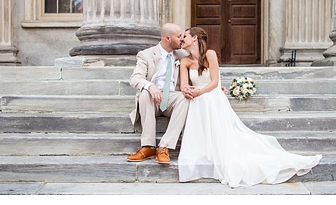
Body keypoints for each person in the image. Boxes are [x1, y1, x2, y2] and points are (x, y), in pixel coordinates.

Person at [177, 27, 322, 187]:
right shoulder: (184, 61)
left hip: (211, 93)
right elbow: (184, 84)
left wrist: (199, 92)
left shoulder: (210, 54)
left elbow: (214, 82)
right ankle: (203, 148)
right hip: (199, 96)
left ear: (195, 38)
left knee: (206, 99)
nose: (181, 39)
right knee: (200, 101)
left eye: (184, 36)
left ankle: (216, 145)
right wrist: (188, 91)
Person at [126, 23, 191, 164]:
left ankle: (164, 147)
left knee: (184, 99)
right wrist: (150, 86)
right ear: (168, 38)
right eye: (179, 36)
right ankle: (148, 146)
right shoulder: (146, 55)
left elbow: (199, 71)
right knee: (144, 92)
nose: (182, 39)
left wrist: (216, 87)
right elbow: (135, 78)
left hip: (173, 98)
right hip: (152, 99)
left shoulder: (183, 55)